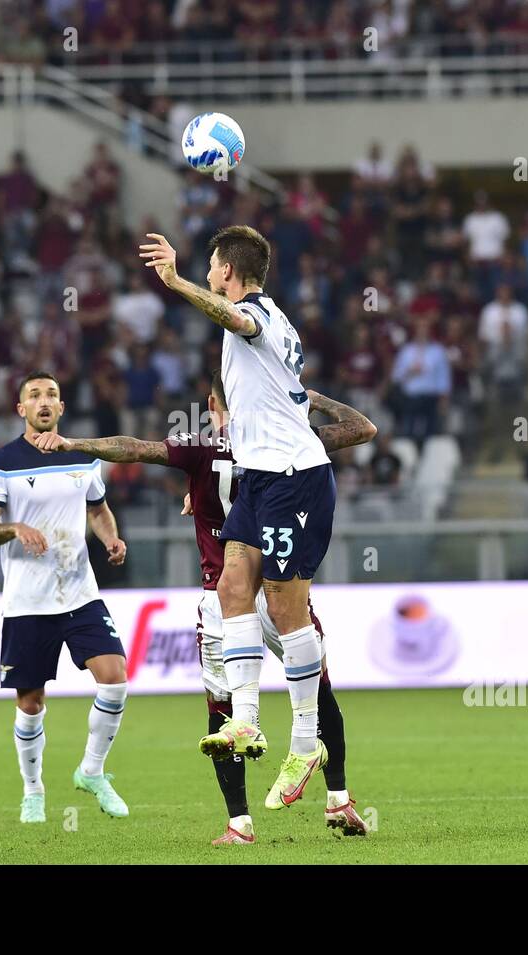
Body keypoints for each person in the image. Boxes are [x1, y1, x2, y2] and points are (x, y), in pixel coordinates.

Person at [32, 373, 375, 843]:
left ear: (212, 406)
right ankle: (337, 801)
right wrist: (313, 399)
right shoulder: (293, 443)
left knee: (222, 714)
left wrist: (74, 443)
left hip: (222, 596)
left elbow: (134, 448)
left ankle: (239, 823)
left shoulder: (199, 449)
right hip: (280, 587)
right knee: (316, 690)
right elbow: (362, 428)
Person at [140, 226, 345, 809]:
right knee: (233, 586)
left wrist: (175, 281)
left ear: (227, 270)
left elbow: (237, 321)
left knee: (285, 606)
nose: (206, 272)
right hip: (260, 477)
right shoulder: (260, 321)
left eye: (209, 265)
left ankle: (306, 744)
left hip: (292, 477)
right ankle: (247, 722)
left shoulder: (258, 315)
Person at [0, 371, 130, 824]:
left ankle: (92, 772)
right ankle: (33, 791)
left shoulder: (82, 457)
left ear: (61, 408)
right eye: (35, 396)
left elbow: (98, 509)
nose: (44, 401)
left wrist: (111, 540)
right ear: (21, 409)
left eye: (52, 395)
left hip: (79, 593)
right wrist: (14, 528)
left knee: (115, 677)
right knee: (30, 703)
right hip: (27, 600)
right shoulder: (1, 463)